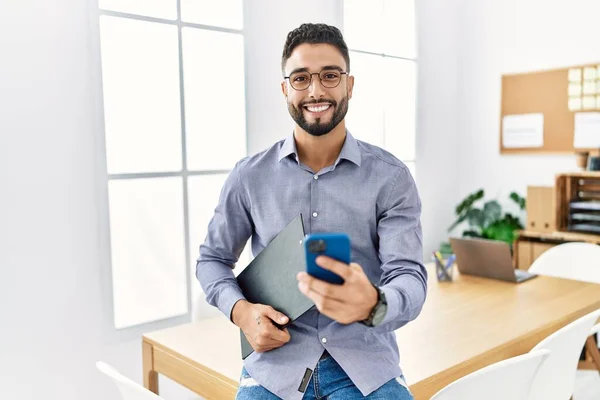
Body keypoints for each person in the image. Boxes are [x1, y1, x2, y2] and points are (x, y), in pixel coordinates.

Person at [196, 23, 426, 400]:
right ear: (286, 89)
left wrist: (375, 304)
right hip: (274, 367)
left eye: (330, 76)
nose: (316, 90)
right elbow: (211, 260)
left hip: (365, 364)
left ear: (349, 84)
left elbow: (410, 278)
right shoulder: (249, 176)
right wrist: (241, 313)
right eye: (301, 78)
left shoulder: (391, 178)